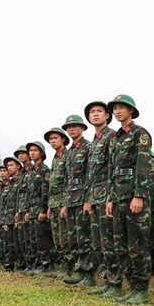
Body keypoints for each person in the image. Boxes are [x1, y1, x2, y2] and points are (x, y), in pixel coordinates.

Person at [104, 94, 153, 304]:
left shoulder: (139, 133)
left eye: (121, 108)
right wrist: (110, 199)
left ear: (131, 110)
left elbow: (143, 166)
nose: (117, 111)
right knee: (120, 245)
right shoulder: (115, 137)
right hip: (118, 198)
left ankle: (142, 289)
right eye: (114, 108)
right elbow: (112, 170)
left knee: (137, 245)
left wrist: (139, 196)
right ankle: (133, 286)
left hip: (134, 197)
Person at [83, 100, 118, 297]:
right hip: (94, 197)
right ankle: (106, 279)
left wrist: (111, 197)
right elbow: (90, 174)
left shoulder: (111, 135)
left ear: (107, 116)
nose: (95, 114)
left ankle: (115, 282)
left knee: (108, 241)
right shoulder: (94, 141)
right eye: (92, 112)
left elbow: (114, 167)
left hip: (106, 195)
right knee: (97, 243)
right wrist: (88, 199)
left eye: (99, 111)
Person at [60, 115, 94, 287]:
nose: (71, 129)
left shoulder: (88, 147)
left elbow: (90, 175)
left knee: (84, 237)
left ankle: (89, 274)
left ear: (82, 128)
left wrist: (88, 199)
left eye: (74, 126)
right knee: (73, 238)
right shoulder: (70, 151)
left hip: (83, 198)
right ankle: (80, 271)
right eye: (68, 127)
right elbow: (66, 180)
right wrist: (65, 203)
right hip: (71, 200)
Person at [44, 127, 71, 277]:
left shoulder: (67, 155)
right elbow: (51, 185)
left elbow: (68, 181)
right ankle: (62, 265)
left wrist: (65, 203)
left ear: (63, 139)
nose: (53, 141)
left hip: (63, 201)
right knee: (57, 237)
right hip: (53, 202)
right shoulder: (55, 158)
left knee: (64, 235)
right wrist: (49, 205)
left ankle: (68, 266)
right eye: (51, 139)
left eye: (55, 138)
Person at [24, 141, 53, 274]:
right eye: (30, 151)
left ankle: (45, 263)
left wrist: (43, 209)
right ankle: (36, 263)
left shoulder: (44, 170)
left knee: (42, 238)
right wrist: (28, 210)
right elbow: (28, 194)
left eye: (35, 150)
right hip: (32, 209)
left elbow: (46, 191)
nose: (32, 153)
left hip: (40, 209)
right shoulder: (30, 173)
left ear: (41, 153)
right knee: (33, 238)